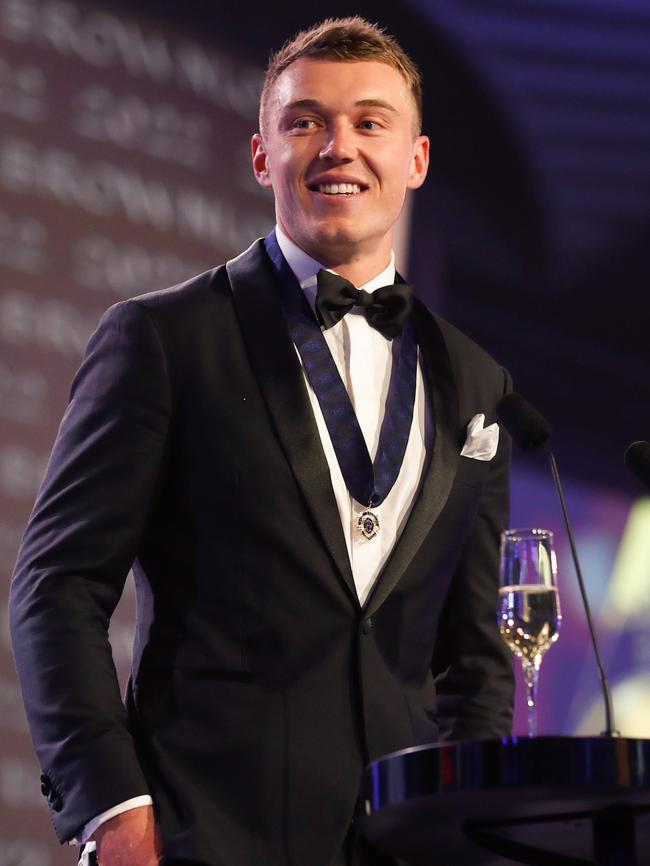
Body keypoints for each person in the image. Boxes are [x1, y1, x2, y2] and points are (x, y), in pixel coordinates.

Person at [9, 16, 514, 866]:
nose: (338, 146)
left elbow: (475, 655)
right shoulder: (163, 339)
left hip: (407, 845)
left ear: (416, 160)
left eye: (370, 122)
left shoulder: (477, 382)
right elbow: (56, 588)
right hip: (206, 837)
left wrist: (461, 821)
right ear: (261, 156)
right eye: (306, 120)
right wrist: (112, 808)